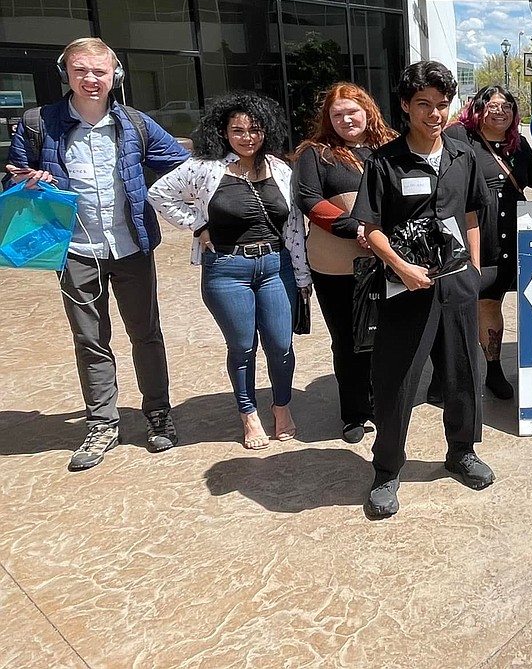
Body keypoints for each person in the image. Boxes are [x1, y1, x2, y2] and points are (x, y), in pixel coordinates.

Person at [4, 37, 190, 471]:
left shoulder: (135, 124)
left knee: (146, 333)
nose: (90, 79)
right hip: (73, 249)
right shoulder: (38, 123)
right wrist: (25, 182)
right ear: (65, 73)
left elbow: (182, 167)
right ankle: (102, 422)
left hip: (132, 246)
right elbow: (12, 180)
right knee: (90, 339)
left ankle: (158, 413)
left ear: (114, 76)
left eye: (99, 71)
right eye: (81, 70)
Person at [352, 60, 491, 519]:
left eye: (443, 104)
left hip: (456, 287)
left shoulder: (462, 154)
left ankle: (461, 451)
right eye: (424, 105)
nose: (435, 114)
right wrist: (401, 266)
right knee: (396, 381)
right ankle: (387, 470)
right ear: (406, 107)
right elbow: (368, 228)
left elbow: (471, 215)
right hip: (405, 288)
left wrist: (471, 269)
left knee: (464, 374)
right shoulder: (384, 162)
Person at [148, 93, 311, 450]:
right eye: (237, 130)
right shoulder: (206, 167)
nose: (247, 137)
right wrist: (196, 225)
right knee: (242, 346)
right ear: (223, 131)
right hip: (227, 269)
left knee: (281, 345)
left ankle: (281, 407)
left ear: (266, 131)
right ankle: (248, 413)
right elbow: (159, 194)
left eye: (255, 129)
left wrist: (302, 277)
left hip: (275, 265)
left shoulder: (281, 170)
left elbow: (295, 227)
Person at [293, 83, 396, 443]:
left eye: (351, 111)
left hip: (390, 262)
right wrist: (357, 229)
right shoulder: (315, 153)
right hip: (337, 267)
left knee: (389, 337)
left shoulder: (391, 147)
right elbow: (309, 200)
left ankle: (386, 403)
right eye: (337, 114)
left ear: (367, 110)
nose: (345, 119)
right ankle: (354, 412)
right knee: (349, 340)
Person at [445, 85, 532, 401]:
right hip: (478, 238)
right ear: (478, 108)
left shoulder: (518, 146)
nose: (501, 111)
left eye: (507, 106)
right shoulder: (458, 138)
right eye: (493, 105)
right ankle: (451, 373)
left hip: (517, 237)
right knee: (478, 305)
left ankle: (500, 371)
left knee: (519, 302)